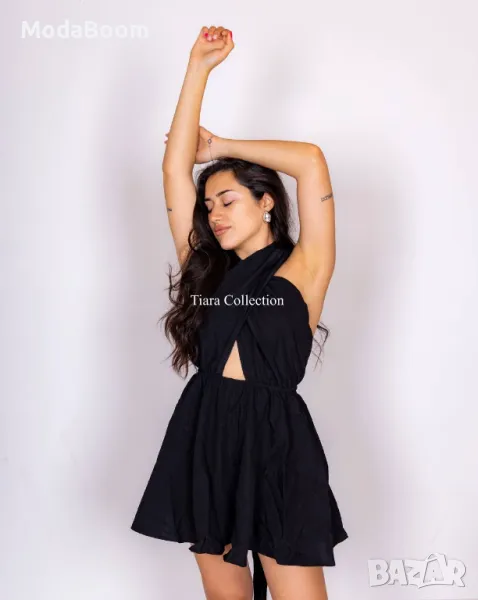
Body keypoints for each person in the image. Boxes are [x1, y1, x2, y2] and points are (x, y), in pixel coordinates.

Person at [131, 25, 348, 600]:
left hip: (277, 438)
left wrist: (220, 147)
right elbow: (172, 172)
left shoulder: (305, 267)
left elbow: (310, 160)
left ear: (266, 202)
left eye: (227, 200)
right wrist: (198, 67)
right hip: (207, 428)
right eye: (209, 207)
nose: (216, 215)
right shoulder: (206, 269)